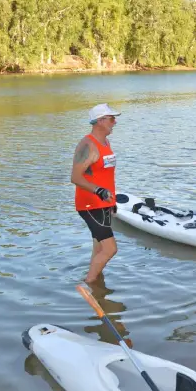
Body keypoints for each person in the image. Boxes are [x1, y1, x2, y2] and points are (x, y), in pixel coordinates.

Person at [71, 103, 121, 284]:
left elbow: (104, 175)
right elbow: (75, 177)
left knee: (99, 248)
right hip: (90, 204)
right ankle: (88, 285)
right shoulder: (87, 145)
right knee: (110, 249)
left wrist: (111, 201)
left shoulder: (106, 142)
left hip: (104, 203)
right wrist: (99, 191)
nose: (115, 122)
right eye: (112, 118)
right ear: (100, 121)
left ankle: (97, 286)